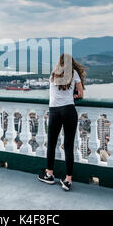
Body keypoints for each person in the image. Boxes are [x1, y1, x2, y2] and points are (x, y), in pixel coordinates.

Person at [37, 53, 86, 191]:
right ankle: (68, 180)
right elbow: (81, 94)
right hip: (69, 110)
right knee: (68, 146)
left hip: (54, 111)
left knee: (51, 144)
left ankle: (49, 175)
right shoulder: (74, 73)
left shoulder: (53, 74)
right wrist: (73, 95)